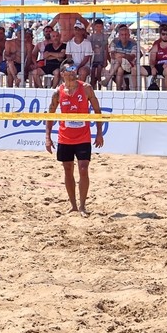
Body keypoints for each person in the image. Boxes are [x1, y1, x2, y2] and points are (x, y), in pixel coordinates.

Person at [45, 62, 105, 216]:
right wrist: (47, 137)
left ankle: (83, 205)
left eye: (74, 69)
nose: (72, 72)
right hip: (65, 137)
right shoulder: (58, 92)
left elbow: (98, 111)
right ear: (62, 73)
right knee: (67, 170)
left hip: (83, 136)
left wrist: (99, 133)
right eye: (69, 70)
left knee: (83, 169)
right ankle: (73, 205)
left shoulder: (86, 88)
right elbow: (50, 115)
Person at [106, 24, 140, 90]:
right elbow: (112, 55)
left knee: (120, 59)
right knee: (119, 70)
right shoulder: (114, 42)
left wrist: (122, 55)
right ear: (119, 36)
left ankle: (109, 78)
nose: (124, 36)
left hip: (128, 66)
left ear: (129, 35)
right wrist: (123, 55)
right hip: (116, 66)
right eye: (122, 34)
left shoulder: (133, 44)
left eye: (126, 34)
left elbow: (132, 57)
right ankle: (119, 90)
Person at [146, 26, 167, 90]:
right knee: (135, 70)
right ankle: (135, 92)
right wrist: (152, 67)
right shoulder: (156, 46)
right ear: (160, 35)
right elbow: (152, 59)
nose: (165, 36)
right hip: (157, 66)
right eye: (163, 34)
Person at [87, 19, 109, 89]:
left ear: (102, 27)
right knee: (93, 72)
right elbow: (86, 31)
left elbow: (106, 49)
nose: (98, 28)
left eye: (100, 26)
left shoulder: (104, 37)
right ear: (94, 27)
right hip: (94, 60)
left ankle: (100, 88)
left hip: (101, 59)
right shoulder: (91, 37)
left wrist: (106, 60)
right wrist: (90, 24)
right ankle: (93, 88)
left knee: (99, 71)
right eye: (97, 26)